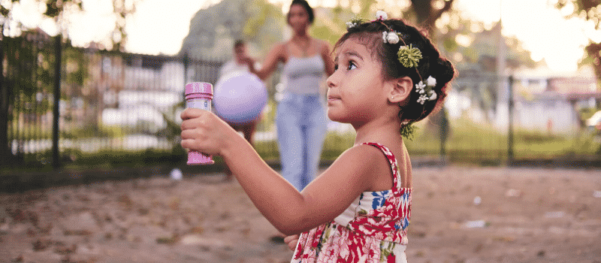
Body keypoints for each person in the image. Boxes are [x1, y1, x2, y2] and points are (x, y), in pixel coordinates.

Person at [180, 11, 456, 262]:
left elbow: (294, 213)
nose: (332, 79)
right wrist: (319, 236)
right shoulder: (393, 152)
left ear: (397, 89)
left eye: (351, 65)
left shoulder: (367, 156)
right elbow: (371, 233)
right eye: (336, 66)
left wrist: (231, 143)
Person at [242, 0, 335, 191]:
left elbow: (335, 76)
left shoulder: (322, 47)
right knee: (294, 169)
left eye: (300, 14)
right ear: (289, 20)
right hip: (290, 109)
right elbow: (262, 75)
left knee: (310, 170)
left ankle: (308, 217)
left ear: (309, 17)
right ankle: (292, 216)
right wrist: (251, 64)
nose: (296, 18)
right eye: (292, 15)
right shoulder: (281, 48)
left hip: (315, 108)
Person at [217, 39, 261, 180]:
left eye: (242, 50)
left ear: (246, 50)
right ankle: (229, 172)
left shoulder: (253, 67)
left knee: (249, 142)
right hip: (230, 112)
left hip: (250, 111)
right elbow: (221, 91)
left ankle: (251, 173)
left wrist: (259, 110)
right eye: (238, 51)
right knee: (229, 141)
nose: (240, 54)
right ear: (234, 52)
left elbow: (260, 89)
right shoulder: (227, 69)